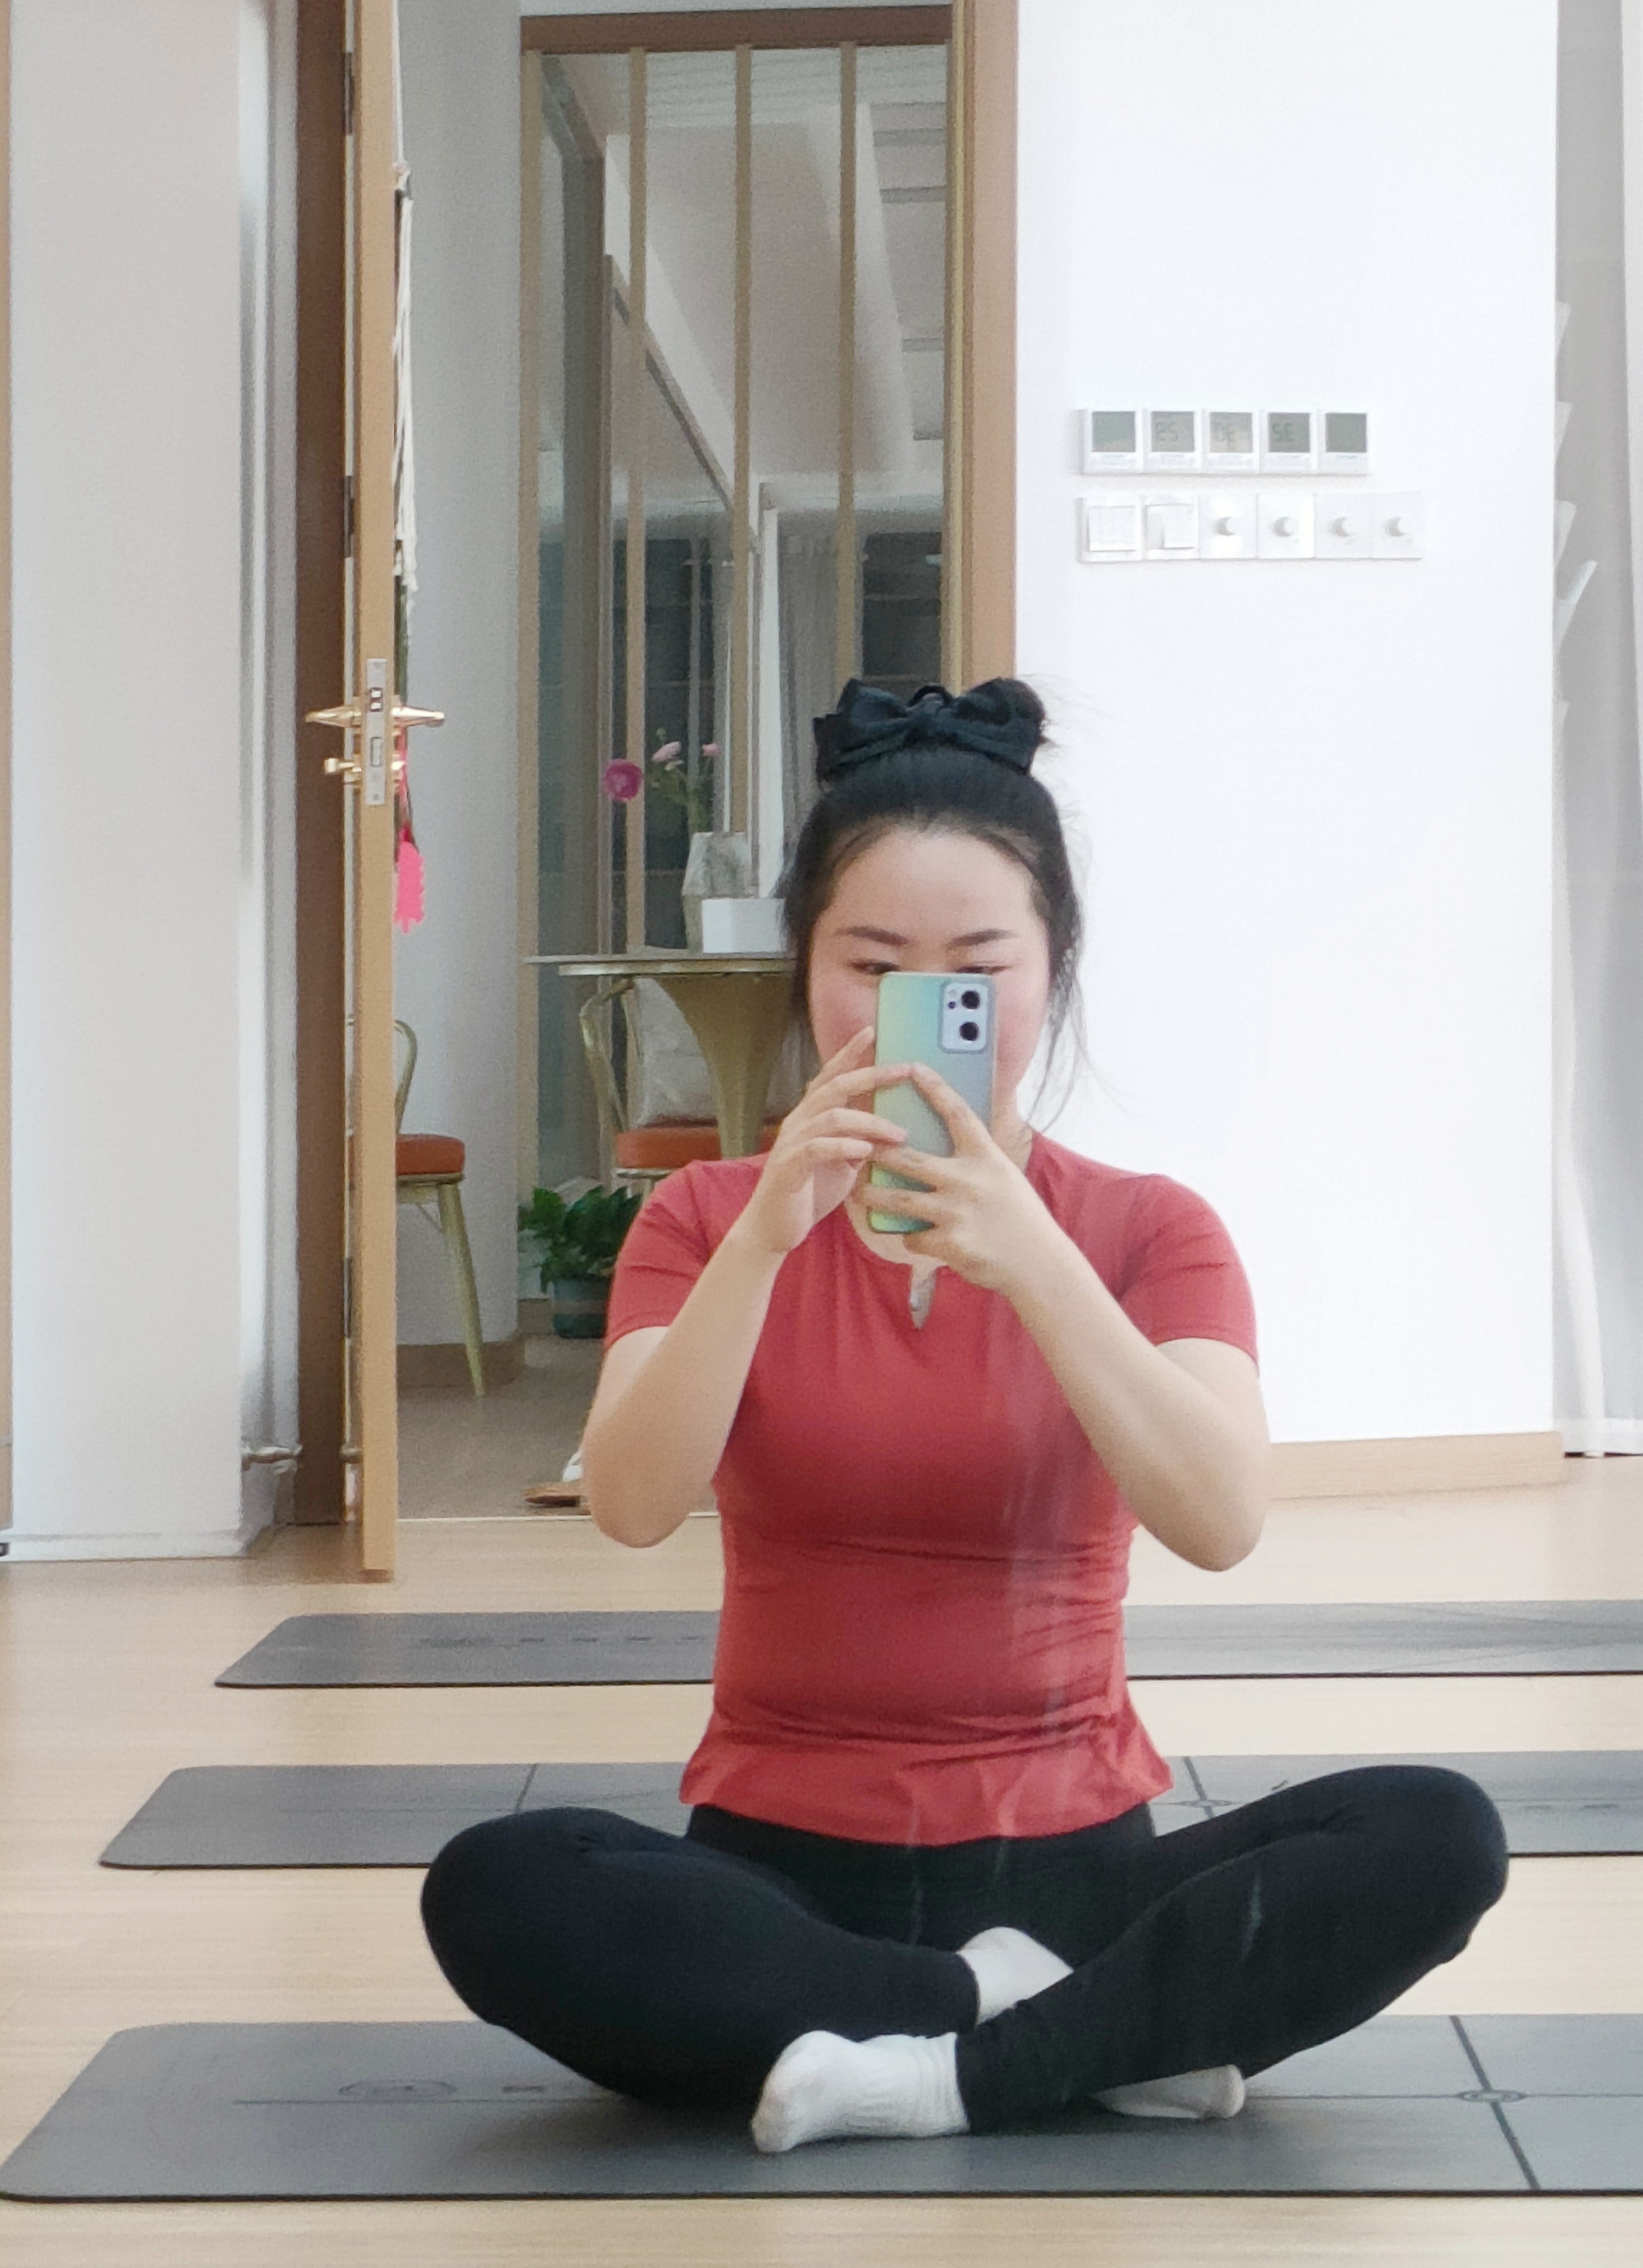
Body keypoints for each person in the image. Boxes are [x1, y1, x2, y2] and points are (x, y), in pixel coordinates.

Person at [421, 678, 1507, 2154]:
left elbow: (1219, 1517)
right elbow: (629, 1501)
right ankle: (1058, 2028)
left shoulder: (1146, 1228)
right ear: (806, 970)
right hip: (780, 1877)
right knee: (501, 1885)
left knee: (1435, 1832)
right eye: (872, 966)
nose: (920, 1013)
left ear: (1051, 972)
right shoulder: (705, 1216)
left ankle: (923, 2067)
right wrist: (768, 1237)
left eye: (977, 971)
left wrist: (1036, 1261)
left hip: (1078, 1867)